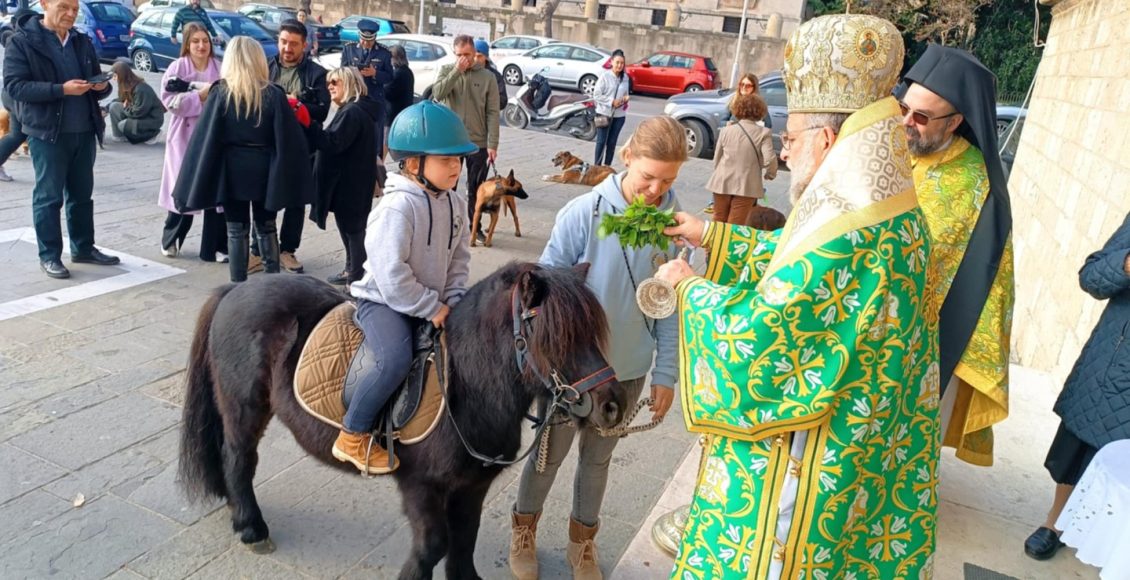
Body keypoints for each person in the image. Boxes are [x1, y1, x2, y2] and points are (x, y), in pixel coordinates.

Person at [655, 14, 939, 578]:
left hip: (813, 457)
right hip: (863, 441)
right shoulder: (881, 207)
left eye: (790, 139)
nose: (783, 153)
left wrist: (689, 290)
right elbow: (799, 267)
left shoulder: (848, 225)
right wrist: (710, 234)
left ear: (828, 139)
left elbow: (766, 334)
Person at [509, 116, 683, 580]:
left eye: (667, 180)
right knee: (548, 455)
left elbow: (668, 306)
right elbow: (539, 289)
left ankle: (582, 543)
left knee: (598, 461)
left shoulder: (674, 227)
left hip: (627, 370)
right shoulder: (582, 213)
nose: (655, 189)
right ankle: (523, 530)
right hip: (572, 373)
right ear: (626, 157)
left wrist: (665, 373)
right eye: (648, 176)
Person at [335, 100, 475, 473]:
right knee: (393, 359)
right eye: (446, 160)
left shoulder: (456, 203)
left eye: (458, 159)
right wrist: (433, 307)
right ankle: (352, 434)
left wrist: (456, 298)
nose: (456, 167)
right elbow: (391, 276)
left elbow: (459, 260)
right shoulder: (397, 208)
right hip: (384, 302)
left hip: (432, 299)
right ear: (414, 164)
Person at [897, 45, 1015, 467]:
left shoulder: (977, 186)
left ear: (956, 122)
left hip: (927, 338)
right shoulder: (888, 150)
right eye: (903, 108)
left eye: (922, 118)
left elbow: (975, 275)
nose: (907, 124)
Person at [1023, 214, 1130, 560]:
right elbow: (1092, 276)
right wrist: (1126, 264)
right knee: (1078, 447)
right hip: (1115, 362)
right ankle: (1055, 524)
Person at [172, 37, 314, 283]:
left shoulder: (221, 93)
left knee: (236, 230)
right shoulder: (273, 94)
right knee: (267, 226)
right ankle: (273, 286)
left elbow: (206, 137)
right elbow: (287, 138)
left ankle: (238, 286)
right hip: (265, 169)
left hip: (232, 171)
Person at [4, 0, 118, 279]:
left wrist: (102, 86)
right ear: (45, 3)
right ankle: (49, 255)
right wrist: (60, 90)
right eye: (64, 7)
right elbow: (15, 86)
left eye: (75, 10)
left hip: (84, 130)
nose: (70, 14)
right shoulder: (22, 42)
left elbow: (96, 85)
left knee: (81, 196)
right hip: (47, 133)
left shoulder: (81, 40)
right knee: (48, 197)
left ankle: (83, 247)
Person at [263, 17, 329, 274]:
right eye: (283, 42)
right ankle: (263, 249)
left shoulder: (316, 74)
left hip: (302, 148)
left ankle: (287, 249)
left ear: (304, 45)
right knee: (265, 198)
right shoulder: (266, 67)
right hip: (269, 144)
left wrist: (295, 104)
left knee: (296, 202)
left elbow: (322, 112)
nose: (287, 48)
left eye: (293, 44)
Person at [157, 21, 226, 262]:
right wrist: (199, 96)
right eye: (196, 41)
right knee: (183, 189)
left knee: (215, 194)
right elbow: (169, 102)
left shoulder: (220, 67)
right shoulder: (177, 67)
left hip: (212, 135)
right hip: (185, 135)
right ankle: (171, 238)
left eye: (205, 41)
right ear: (187, 44)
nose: (201, 46)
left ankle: (215, 247)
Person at [310, 67, 380, 286]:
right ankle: (351, 269)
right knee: (350, 228)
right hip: (354, 180)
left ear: (349, 83)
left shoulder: (352, 111)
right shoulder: (358, 109)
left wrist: (309, 126)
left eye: (335, 82)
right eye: (329, 82)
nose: (329, 86)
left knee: (353, 230)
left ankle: (355, 277)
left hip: (350, 183)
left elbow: (334, 143)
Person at [431, 34, 499, 244]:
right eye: (459, 55)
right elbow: (438, 93)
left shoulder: (487, 77)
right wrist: (456, 71)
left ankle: (474, 226)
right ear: (455, 54)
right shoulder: (447, 71)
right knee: (447, 185)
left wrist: (492, 143)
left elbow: (493, 112)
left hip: (477, 142)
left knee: (476, 187)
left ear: (475, 54)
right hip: (452, 141)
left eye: (468, 55)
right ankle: (445, 225)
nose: (464, 59)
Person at [704, 93, 776, 226]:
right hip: (747, 185)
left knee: (718, 219)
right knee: (735, 223)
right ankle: (727, 246)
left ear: (737, 109)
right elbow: (770, 158)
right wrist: (770, 173)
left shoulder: (726, 130)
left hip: (722, 181)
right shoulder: (764, 133)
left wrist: (719, 173)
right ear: (760, 111)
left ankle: (713, 246)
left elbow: (717, 157)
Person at [705, 72, 762, 215]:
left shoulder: (758, 104)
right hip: (732, 142)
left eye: (748, 85)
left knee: (745, 179)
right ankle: (716, 202)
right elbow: (723, 120)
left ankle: (747, 205)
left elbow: (767, 123)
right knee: (724, 175)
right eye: (742, 84)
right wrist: (728, 123)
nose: (744, 88)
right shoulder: (733, 100)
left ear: (754, 87)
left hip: (749, 146)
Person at [341, 19, 392, 146]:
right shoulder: (349, 49)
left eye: (369, 41)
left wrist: (375, 73)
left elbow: (390, 77)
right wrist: (353, 73)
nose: (365, 43)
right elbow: (341, 71)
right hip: (354, 97)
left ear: (375, 38)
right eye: (363, 40)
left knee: (375, 136)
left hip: (374, 98)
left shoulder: (384, 53)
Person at [106, 60, 164, 144]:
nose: (114, 79)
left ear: (122, 75)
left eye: (115, 76)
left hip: (151, 119)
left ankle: (153, 134)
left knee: (123, 125)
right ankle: (119, 136)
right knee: (114, 106)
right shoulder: (126, 85)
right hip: (137, 112)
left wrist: (126, 107)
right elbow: (120, 100)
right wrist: (105, 109)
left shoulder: (141, 89)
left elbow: (138, 112)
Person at [592, 49, 629, 166]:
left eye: (622, 63)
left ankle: (607, 167)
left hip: (619, 116)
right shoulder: (605, 76)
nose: (619, 65)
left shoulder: (625, 78)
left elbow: (625, 93)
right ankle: (596, 167)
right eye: (617, 62)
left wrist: (625, 99)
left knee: (612, 143)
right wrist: (611, 101)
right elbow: (596, 95)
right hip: (604, 114)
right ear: (612, 62)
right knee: (601, 142)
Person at [472, 38, 507, 111]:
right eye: (473, 56)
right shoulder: (465, 72)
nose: (476, 59)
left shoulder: (495, 76)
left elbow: (502, 101)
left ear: (486, 57)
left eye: (479, 56)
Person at [386, 44, 414, 123]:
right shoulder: (407, 71)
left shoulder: (398, 73)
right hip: (404, 113)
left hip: (395, 115)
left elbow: (388, 93)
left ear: (395, 58)